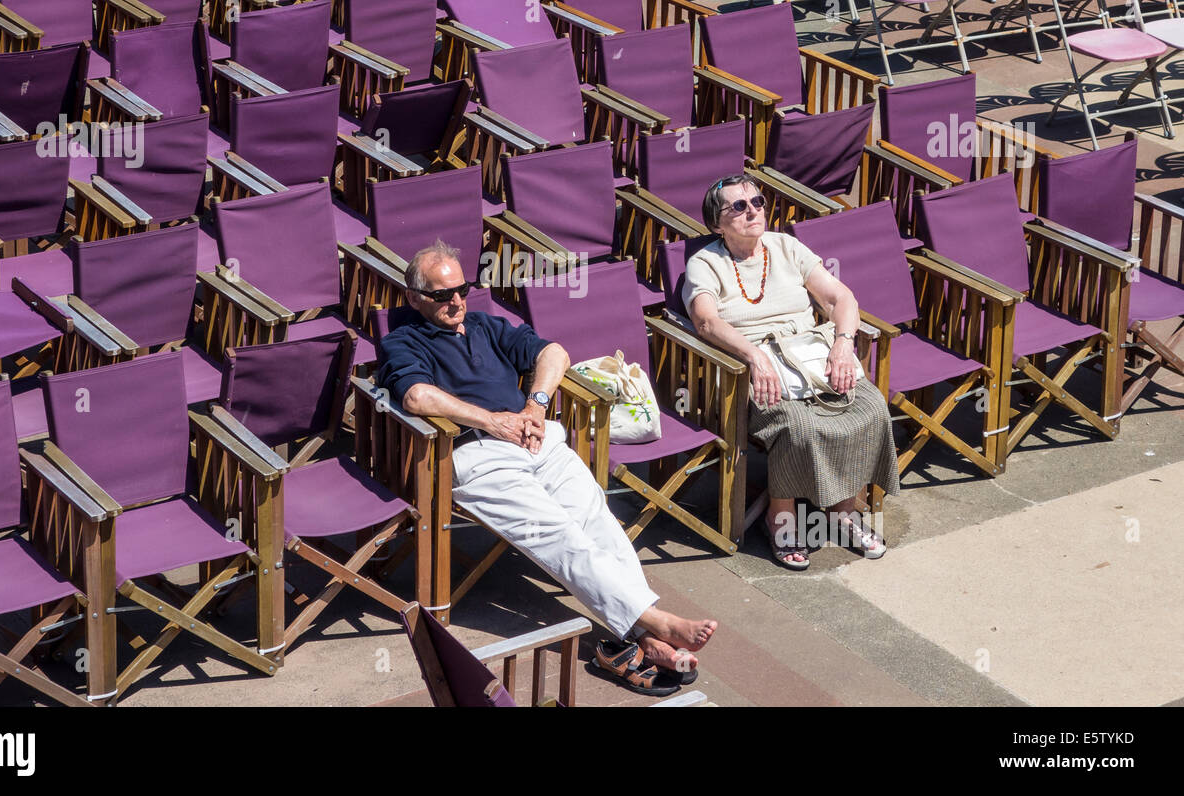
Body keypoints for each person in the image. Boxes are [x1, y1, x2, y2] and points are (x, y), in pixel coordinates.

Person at [378, 239, 717, 693]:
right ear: (414, 298)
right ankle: (653, 620)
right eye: (442, 295)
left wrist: (535, 406)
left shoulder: (485, 325)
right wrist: (492, 421)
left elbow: (554, 352)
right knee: (560, 533)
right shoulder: (403, 341)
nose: (456, 301)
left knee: (598, 519)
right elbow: (417, 396)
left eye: (462, 289)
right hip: (478, 454)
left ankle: (642, 636)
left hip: (537, 438)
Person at [683, 175, 899, 570]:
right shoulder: (705, 263)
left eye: (758, 202)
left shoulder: (786, 246)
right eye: (739, 207)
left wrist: (843, 343)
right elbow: (706, 322)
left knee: (870, 407)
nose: (753, 211)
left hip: (811, 358)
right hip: (751, 368)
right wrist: (753, 355)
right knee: (797, 426)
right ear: (717, 224)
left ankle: (843, 510)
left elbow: (841, 297)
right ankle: (778, 517)